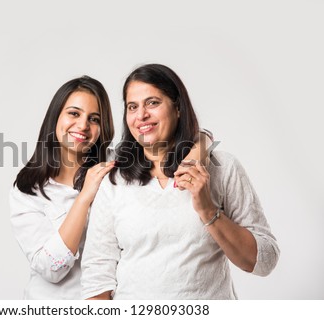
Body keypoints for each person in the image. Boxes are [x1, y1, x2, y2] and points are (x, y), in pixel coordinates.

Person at [80, 64, 280, 300]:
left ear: (177, 108)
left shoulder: (223, 168)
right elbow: (97, 275)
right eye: (132, 106)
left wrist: (208, 210)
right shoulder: (114, 180)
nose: (141, 115)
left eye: (153, 102)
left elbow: (264, 260)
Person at [9, 75, 212, 299]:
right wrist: (84, 197)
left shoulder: (118, 169)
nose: (83, 125)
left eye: (94, 119)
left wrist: (195, 155)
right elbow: (51, 269)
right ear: (55, 117)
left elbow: (201, 136)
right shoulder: (28, 189)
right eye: (74, 113)